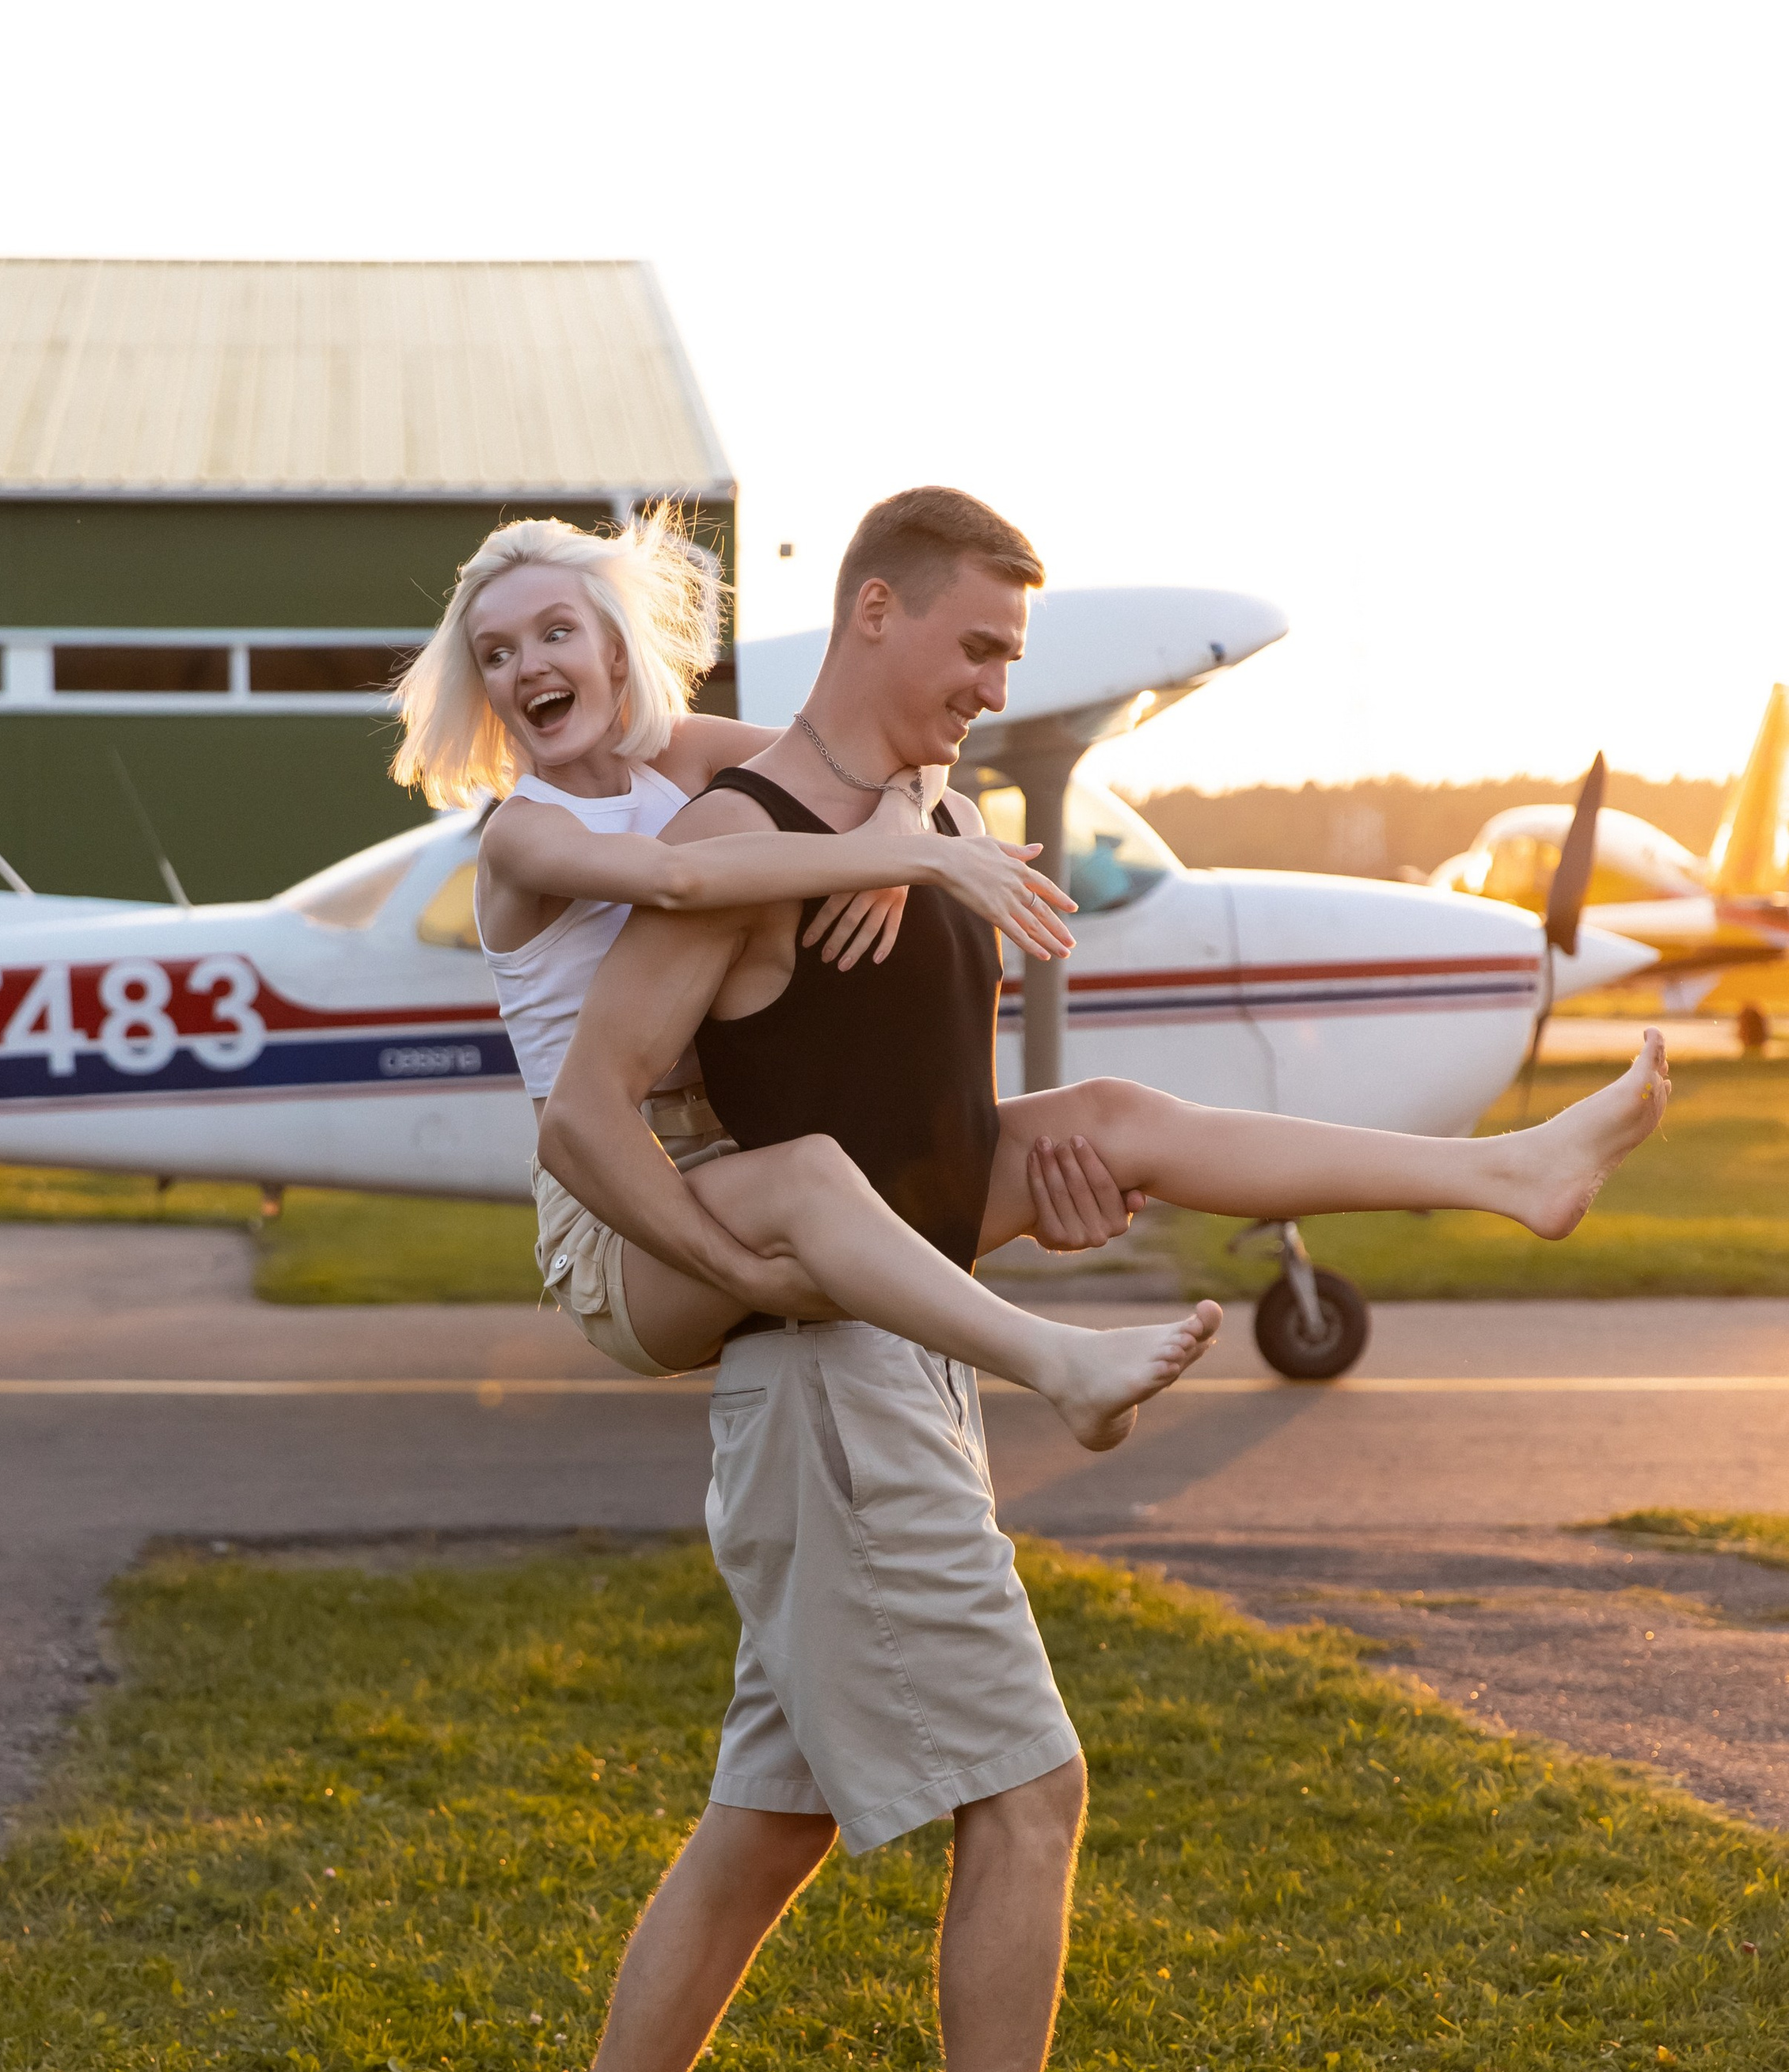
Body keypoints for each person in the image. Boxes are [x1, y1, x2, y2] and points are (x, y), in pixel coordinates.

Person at [517, 486, 1671, 2072]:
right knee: (1028, 1792)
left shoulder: (925, 820)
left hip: (884, 1345)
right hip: (828, 1375)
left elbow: (917, 1136)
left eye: (1010, 659)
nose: (990, 683)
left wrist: (1019, 1190)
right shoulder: (756, 837)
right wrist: (743, 1271)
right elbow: (593, 1103)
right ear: (872, 613)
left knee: (770, 1813)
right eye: (972, 645)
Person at [391, 510, 1223, 1450]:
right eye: (496, 654)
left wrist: (898, 823)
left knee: (1105, 1119)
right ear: (485, 689)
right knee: (809, 1181)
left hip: (734, 1148)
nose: (528, 666)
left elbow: (867, 759)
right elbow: (680, 880)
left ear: (616, 654)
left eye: (555, 634)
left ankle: (1428, 1170)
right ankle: (1057, 1365)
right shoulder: (523, 831)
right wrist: (924, 863)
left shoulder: (687, 755)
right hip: (616, 1198)